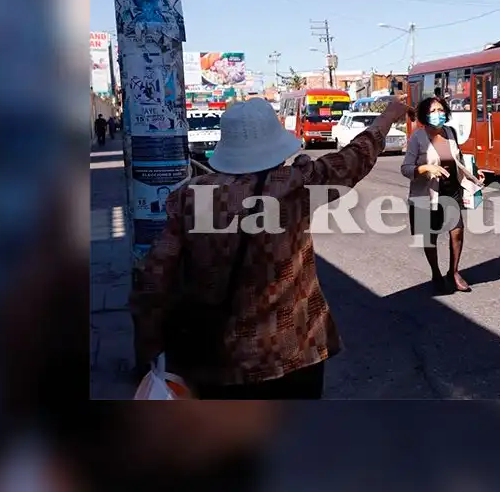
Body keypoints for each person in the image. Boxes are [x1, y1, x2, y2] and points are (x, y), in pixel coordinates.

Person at [130, 97, 412, 399]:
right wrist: (388, 116)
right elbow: (354, 158)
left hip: (218, 361)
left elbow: (153, 278)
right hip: (295, 354)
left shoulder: (191, 196)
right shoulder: (296, 184)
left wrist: (150, 346)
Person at [401, 93, 484, 294]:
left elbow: (459, 158)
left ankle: (453, 272)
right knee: (429, 237)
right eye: (432, 111)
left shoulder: (450, 132)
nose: (437, 114)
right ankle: (436, 273)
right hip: (426, 194)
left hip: (450, 192)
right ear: (424, 115)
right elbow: (406, 168)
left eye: (440, 110)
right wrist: (426, 168)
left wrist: (474, 171)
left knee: (457, 232)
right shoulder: (418, 138)